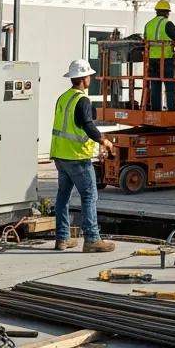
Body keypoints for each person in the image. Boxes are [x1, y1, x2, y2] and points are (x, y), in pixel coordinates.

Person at [50, 59, 116, 253]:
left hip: (60, 155)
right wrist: (104, 141)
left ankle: (62, 239)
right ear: (83, 79)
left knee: (63, 196)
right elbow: (87, 126)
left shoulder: (63, 98)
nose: (90, 78)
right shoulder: (82, 100)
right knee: (89, 196)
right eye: (88, 75)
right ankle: (92, 239)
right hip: (77, 157)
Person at [143, 0, 175, 112]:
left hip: (152, 59)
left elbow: (145, 40)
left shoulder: (148, 24)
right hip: (165, 59)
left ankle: (155, 109)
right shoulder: (166, 23)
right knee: (170, 86)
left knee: (155, 85)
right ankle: (172, 109)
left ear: (156, 11)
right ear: (167, 12)